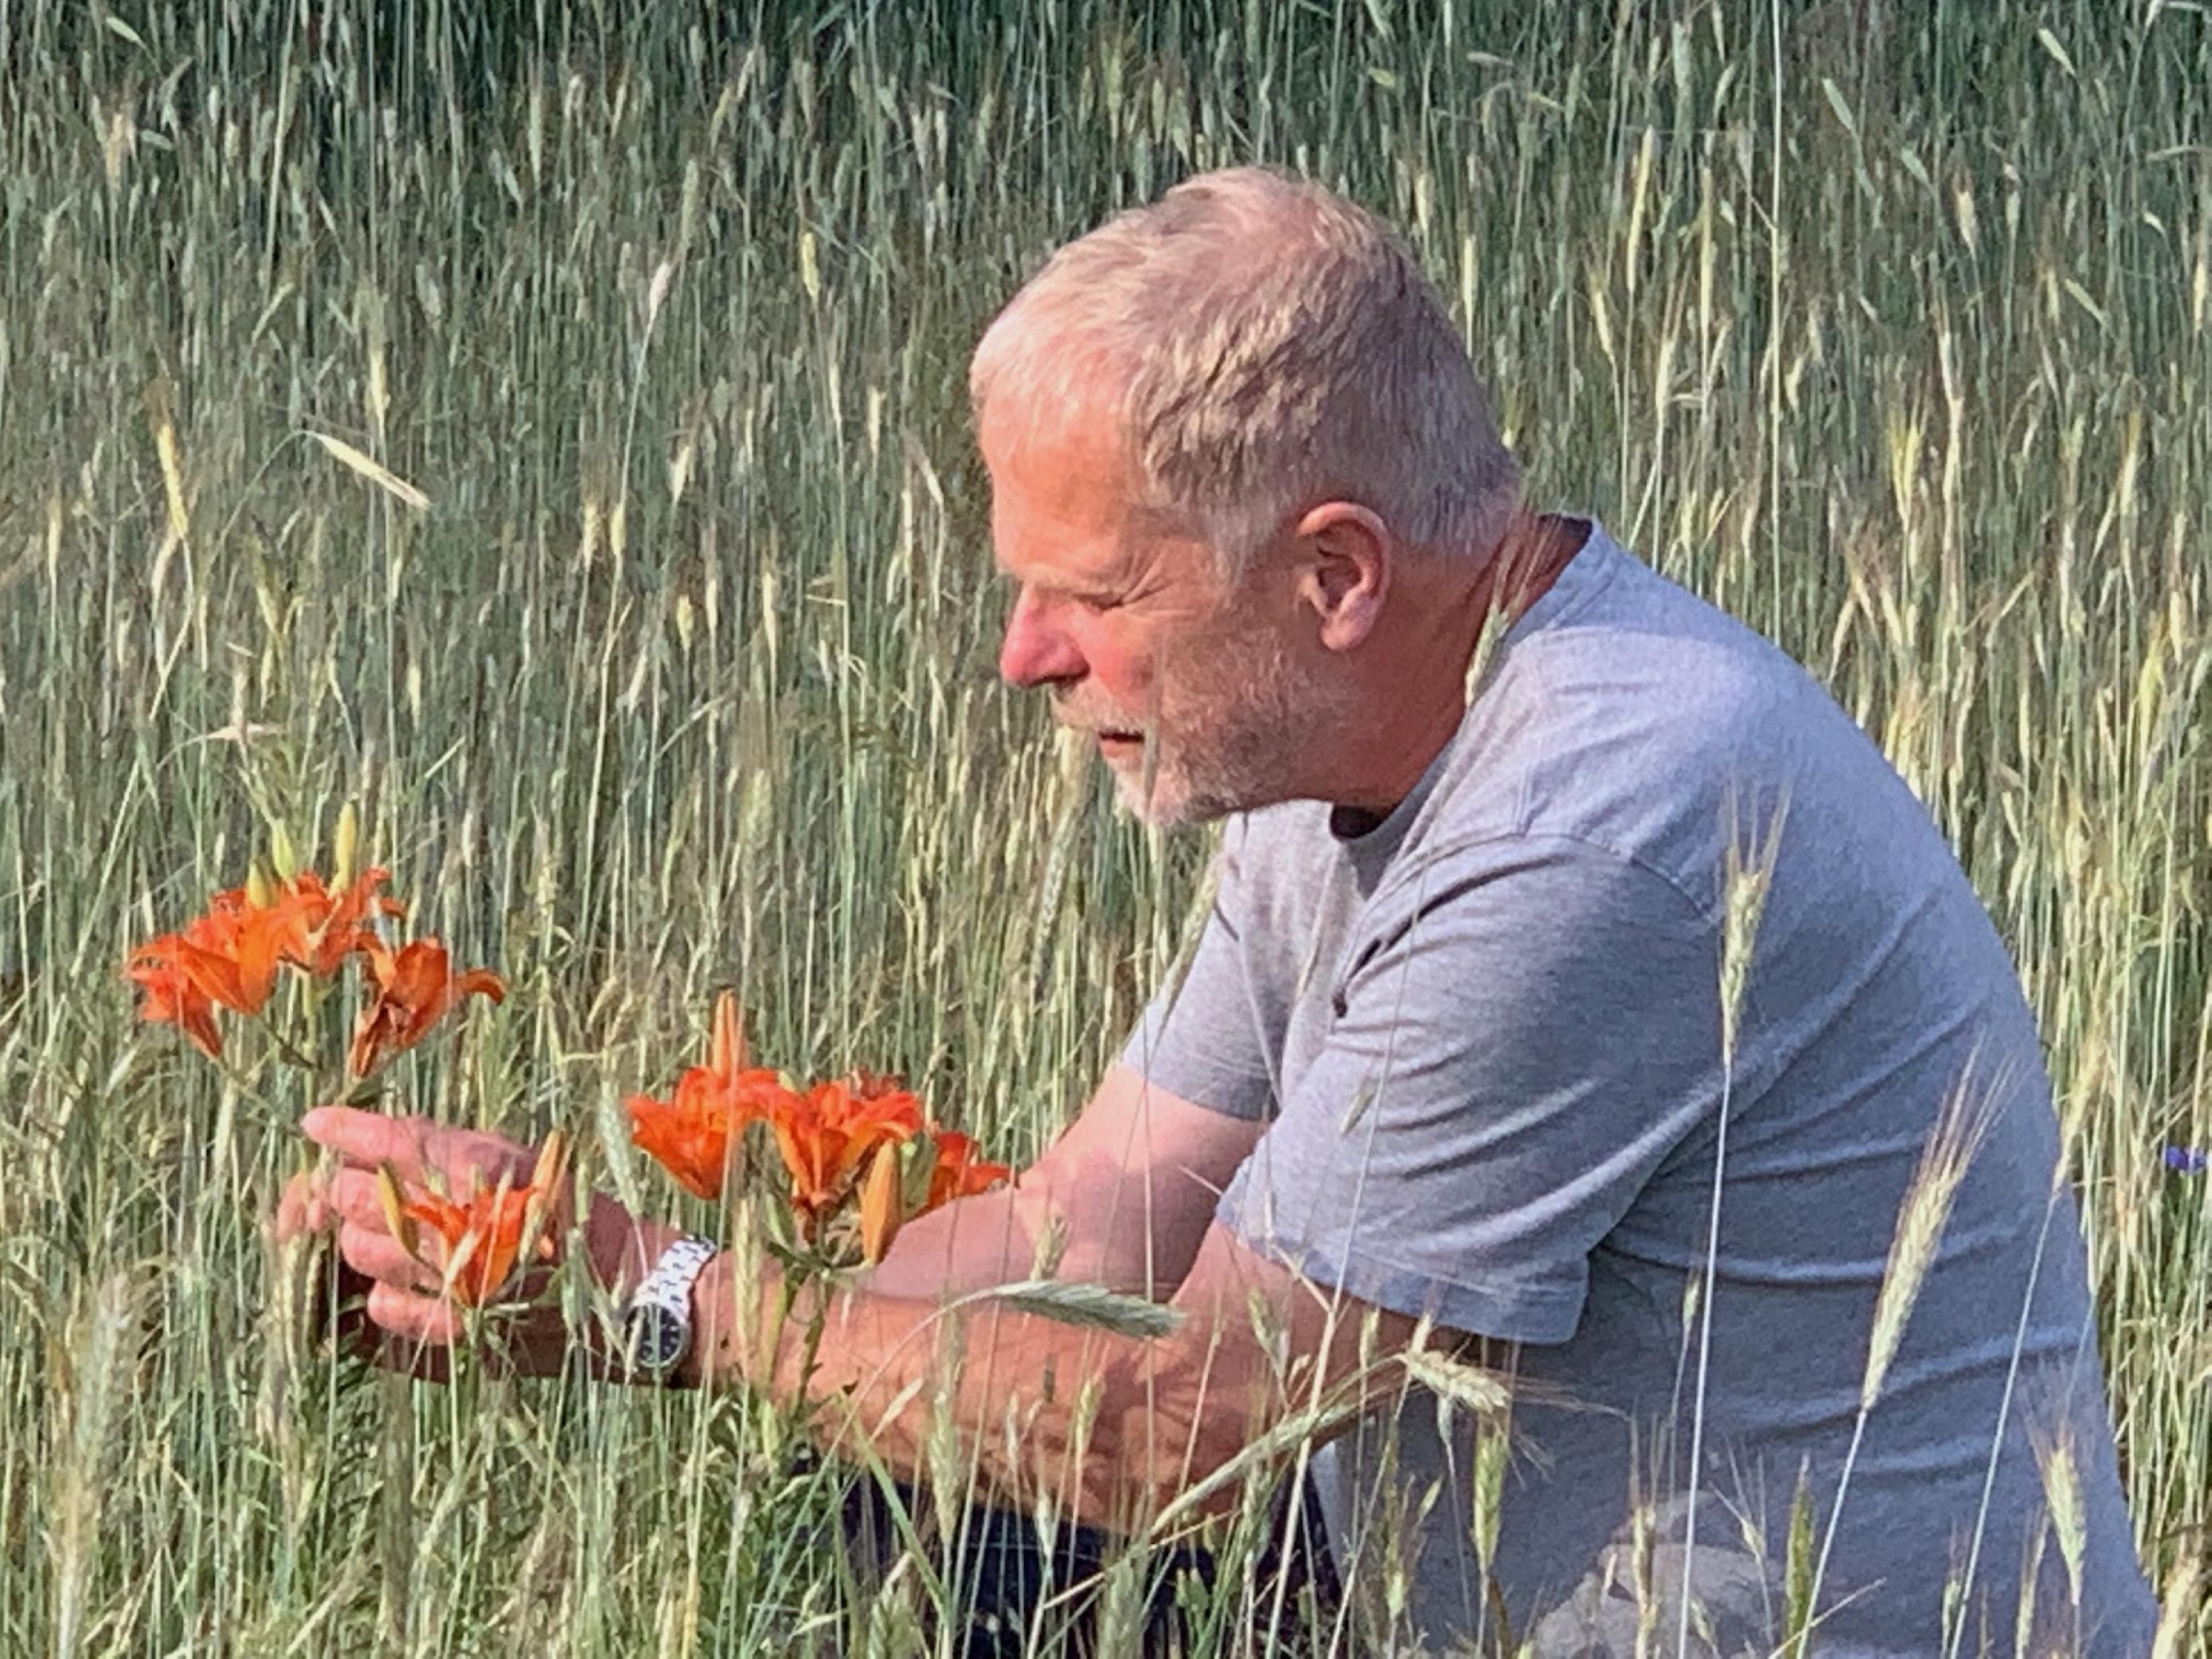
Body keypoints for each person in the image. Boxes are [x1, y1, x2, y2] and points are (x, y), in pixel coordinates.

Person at [284, 167, 2159, 1655]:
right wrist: (536, 1254)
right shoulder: (1356, 741)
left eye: (1091, 591)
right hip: (1445, 1595)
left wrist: (679, 1302)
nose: (1022, 656)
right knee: (931, 1489)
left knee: (1004, 1478)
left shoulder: (1599, 823)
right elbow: (1075, 1228)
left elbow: (1181, 1429)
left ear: (1333, 572)